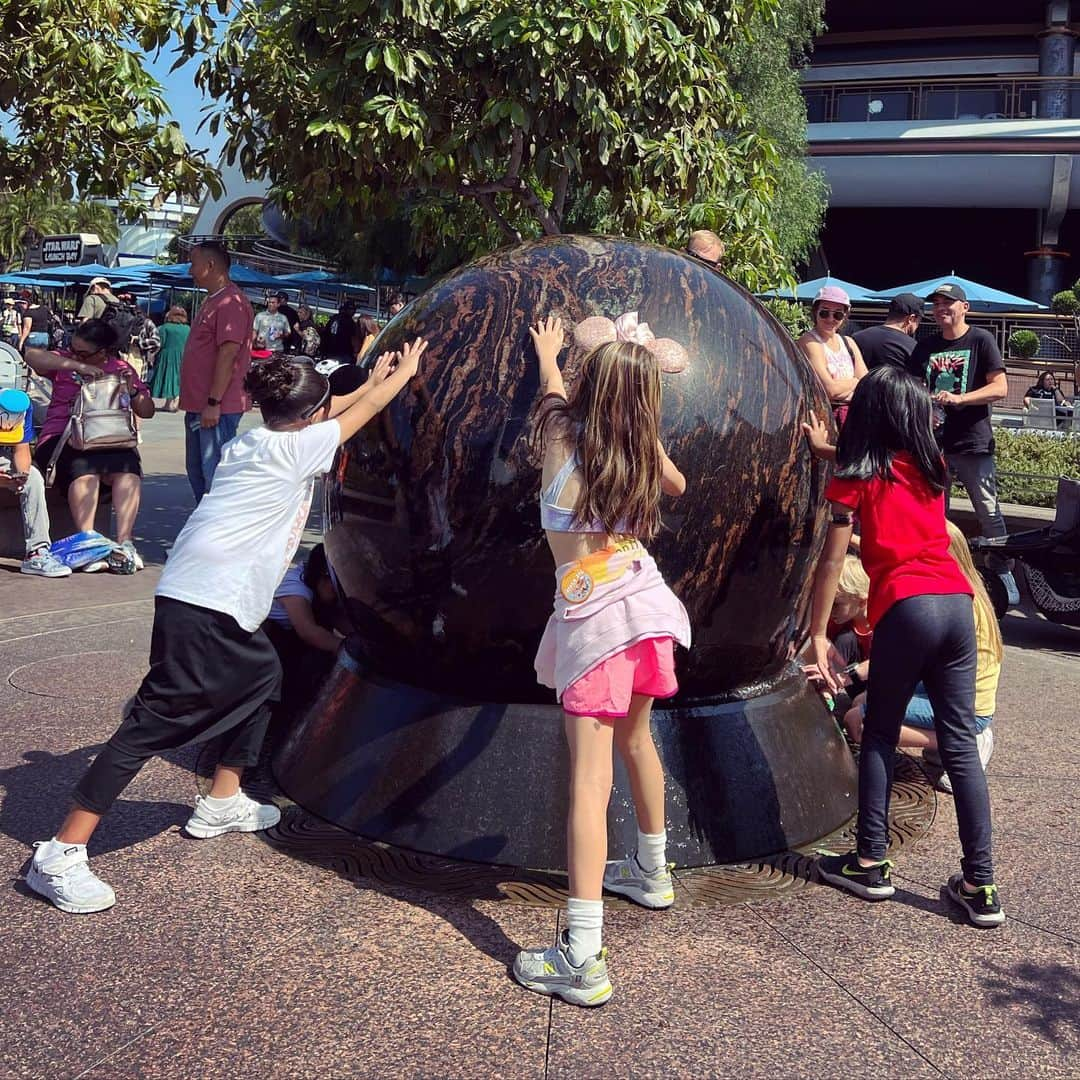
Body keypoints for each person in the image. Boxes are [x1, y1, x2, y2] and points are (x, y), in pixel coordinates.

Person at [23, 339, 427, 914]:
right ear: (309, 417)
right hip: (205, 600)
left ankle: (224, 797)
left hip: (202, 595)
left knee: (264, 679)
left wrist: (368, 384)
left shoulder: (256, 439)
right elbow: (354, 418)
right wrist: (399, 376)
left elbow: (333, 414)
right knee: (149, 725)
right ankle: (61, 852)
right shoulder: (295, 448)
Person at [512, 316, 691, 1007]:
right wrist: (639, 427)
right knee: (637, 741)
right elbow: (673, 484)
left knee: (590, 785)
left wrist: (547, 356)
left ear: (589, 385)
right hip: (646, 609)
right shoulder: (639, 449)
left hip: (595, 625)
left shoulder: (562, 434)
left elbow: (555, 395)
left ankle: (581, 957)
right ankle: (653, 870)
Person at [804, 365, 1004, 929]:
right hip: (956, 605)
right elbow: (882, 478)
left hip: (906, 608)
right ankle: (980, 886)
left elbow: (831, 560)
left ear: (868, 416)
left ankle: (870, 862)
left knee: (879, 730)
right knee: (961, 744)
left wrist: (819, 634)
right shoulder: (934, 468)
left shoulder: (856, 478)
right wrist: (829, 453)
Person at [842, 521, 999, 796]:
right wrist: (851, 538)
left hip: (967, 710)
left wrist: (857, 675)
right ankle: (952, 739)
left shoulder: (950, 605)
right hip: (948, 693)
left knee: (862, 721)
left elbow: (906, 661)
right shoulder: (966, 591)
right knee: (861, 701)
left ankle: (963, 740)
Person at [909, 282, 1016, 605]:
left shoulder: (981, 340)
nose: (941, 308)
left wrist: (960, 398)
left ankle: (1003, 572)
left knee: (987, 508)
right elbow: (912, 387)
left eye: (948, 302)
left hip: (972, 441)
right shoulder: (924, 346)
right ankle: (939, 569)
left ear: (964, 307)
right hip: (933, 443)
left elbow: (1000, 388)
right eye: (936, 304)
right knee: (934, 511)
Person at [25, 319, 155, 574]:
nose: (73, 353)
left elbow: (147, 410)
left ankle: (126, 541)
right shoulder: (64, 361)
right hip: (61, 436)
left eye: (82, 352)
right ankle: (88, 541)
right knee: (85, 466)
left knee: (128, 465)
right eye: (72, 349)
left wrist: (133, 391)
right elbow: (31, 356)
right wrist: (78, 364)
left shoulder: (121, 367)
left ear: (103, 351)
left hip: (108, 437)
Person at [179, 241, 255, 503]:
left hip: (216, 407)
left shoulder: (230, 303)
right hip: (200, 404)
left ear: (210, 266)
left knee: (213, 476)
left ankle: (215, 536)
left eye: (193, 263)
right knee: (198, 472)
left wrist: (214, 402)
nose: (190, 270)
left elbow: (228, 354)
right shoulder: (214, 301)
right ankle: (203, 531)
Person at [264, 543, 344, 723]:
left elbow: (340, 618)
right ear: (322, 579)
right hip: (270, 640)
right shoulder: (296, 589)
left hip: (290, 636)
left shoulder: (318, 584)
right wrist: (345, 647)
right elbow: (308, 632)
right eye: (335, 586)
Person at [0, 387, 69, 577]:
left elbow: (21, 449)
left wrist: (20, 476)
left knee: (34, 478)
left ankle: (37, 553)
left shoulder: (22, 406)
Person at [796, 286, 867, 426]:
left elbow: (868, 383)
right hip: (826, 418)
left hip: (853, 417)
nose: (830, 319)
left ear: (845, 316)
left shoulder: (849, 342)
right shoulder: (809, 342)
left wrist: (841, 386)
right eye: (824, 313)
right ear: (815, 312)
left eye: (838, 314)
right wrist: (854, 381)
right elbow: (829, 390)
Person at [852, 292, 922, 372]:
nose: (917, 325)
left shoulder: (856, 338)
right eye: (918, 321)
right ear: (911, 319)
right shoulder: (913, 347)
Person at [151, 306, 189, 412]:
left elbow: (159, 343)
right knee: (178, 377)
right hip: (183, 355)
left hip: (167, 356)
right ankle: (173, 401)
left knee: (168, 377)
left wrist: (153, 355)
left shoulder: (165, 327)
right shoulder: (187, 329)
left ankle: (171, 402)